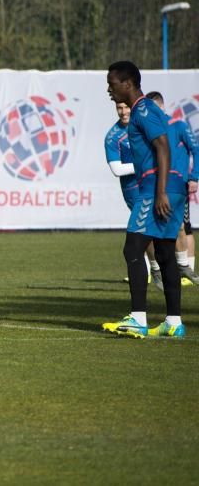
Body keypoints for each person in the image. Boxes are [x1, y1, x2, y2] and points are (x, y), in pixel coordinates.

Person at [101, 61, 186, 339]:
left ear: (128, 84)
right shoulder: (148, 110)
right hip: (170, 186)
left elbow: (162, 145)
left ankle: (138, 318)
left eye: (112, 83)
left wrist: (159, 192)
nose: (109, 89)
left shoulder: (143, 109)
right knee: (163, 252)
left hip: (155, 189)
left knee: (132, 248)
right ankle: (173, 322)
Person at [104, 101, 162, 289]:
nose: (123, 112)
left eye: (126, 107)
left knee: (155, 231)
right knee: (144, 233)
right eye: (119, 108)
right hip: (134, 191)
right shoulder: (113, 137)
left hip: (153, 184)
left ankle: (158, 268)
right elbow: (117, 169)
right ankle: (154, 269)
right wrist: (144, 165)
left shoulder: (144, 126)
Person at [145, 91, 199, 286]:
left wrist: (194, 177)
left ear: (162, 107)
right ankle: (158, 270)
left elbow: (196, 150)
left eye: (155, 109)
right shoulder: (148, 130)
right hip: (155, 187)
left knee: (180, 228)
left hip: (177, 187)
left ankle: (185, 267)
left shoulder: (178, 125)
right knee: (153, 230)